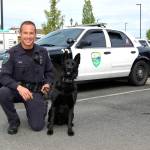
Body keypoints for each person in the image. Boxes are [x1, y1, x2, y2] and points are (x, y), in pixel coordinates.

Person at [0, 20, 54, 134]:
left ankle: (40, 106)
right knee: (3, 92)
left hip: (35, 92)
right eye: (25, 33)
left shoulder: (43, 52)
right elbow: (4, 76)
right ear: (20, 34)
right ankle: (14, 121)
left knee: (37, 126)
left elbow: (50, 72)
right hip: (17, 90)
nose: (28, 36)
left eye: (31, 33)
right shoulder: (11, 53)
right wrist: (18, 87)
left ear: (35, 34)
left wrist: (48, 83)